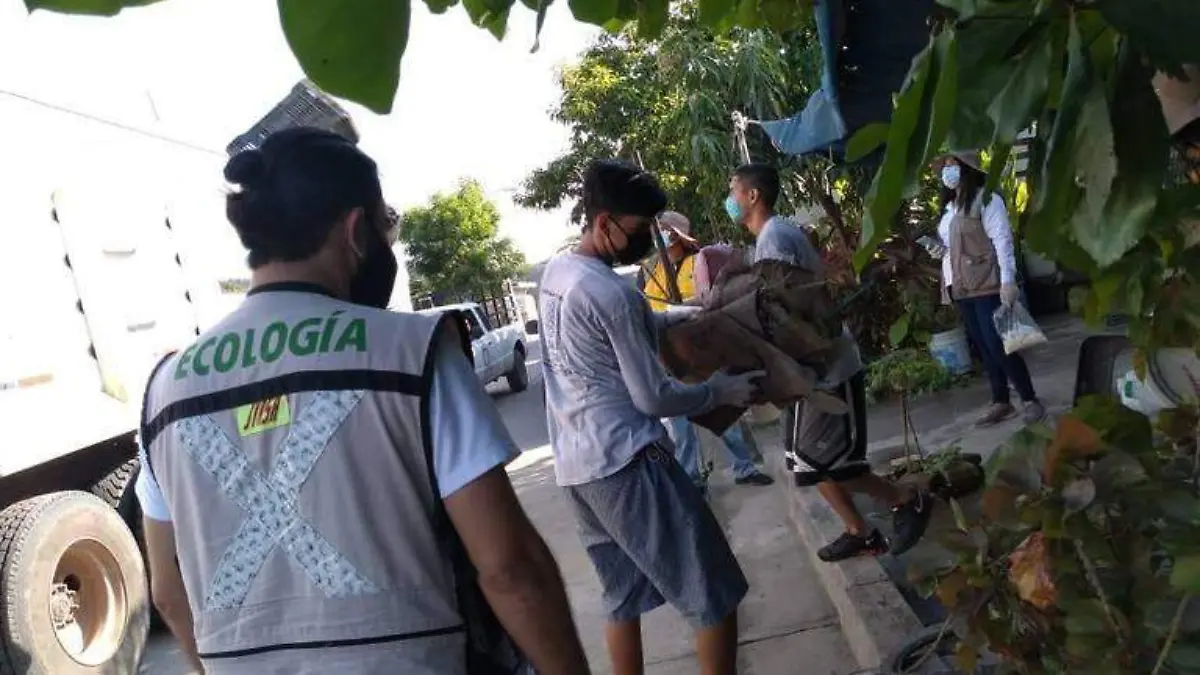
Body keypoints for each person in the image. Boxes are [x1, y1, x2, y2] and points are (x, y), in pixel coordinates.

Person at [134, 128, 589, 675]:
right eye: (384, 224)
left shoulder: (165, 392)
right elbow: (510, 568)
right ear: (355, 230)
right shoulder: (413, 353)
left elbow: (168, 593)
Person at [539, 159, 763, 675]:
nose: (646, 239)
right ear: (604, 223)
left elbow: (615, 330)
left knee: (623, 596)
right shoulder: (610, 292)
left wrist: (682, 314)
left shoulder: (560, 273)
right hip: (628, 464)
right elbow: (654, 398)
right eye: (639, 228)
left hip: (578, 471)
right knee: (713, 592)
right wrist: (716, 391)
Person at [725, 163, 933, 562]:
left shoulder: (776, 239)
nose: (729, 199)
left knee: (833, 464)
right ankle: (860, 532)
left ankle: (907, 499)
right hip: (805, 370)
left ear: (753, 196)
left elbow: (786, 314)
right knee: (806, 462)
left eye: (733, 190)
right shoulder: (768, 239)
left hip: (827, 368)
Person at [641, 210, 774, 489]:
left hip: (700, 349)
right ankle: (692, 477)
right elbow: (648, 308)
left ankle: (744, 468)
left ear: (678, 234)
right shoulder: (654, 270)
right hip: (667, 354)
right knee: (680, 424)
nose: (659, 236)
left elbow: (710, 300)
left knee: (721, 409)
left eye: (665, 230)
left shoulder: (699, 261)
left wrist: (681, 309)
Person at [935, 152, 1045, 426]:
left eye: (953, 165)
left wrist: (1008, 280)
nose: (947, 171)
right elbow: (954, 246)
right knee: (984, 346)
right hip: (960, 286)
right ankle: (1001, 401)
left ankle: (1029, 399)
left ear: (967, 169)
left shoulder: (987, 200)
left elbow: (1002, 240)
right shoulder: (950, 208)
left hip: (986, 282)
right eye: (945, 166)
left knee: (999, 344)